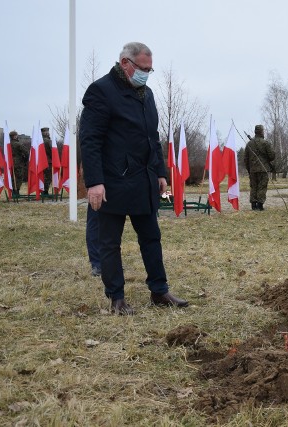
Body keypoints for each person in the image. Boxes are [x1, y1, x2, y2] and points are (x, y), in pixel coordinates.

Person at [80, 41, 188, 315]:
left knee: (151, 237)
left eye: (150, 70)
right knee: (110, 243)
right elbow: (90, 140)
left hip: (143, 181)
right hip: (112, 182)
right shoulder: (100, 91)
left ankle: (159, 291)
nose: (147, 74)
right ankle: (116, 298)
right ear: (125, 63)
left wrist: (160, 172)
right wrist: (94, 181)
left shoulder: (147, 94)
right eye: (143, 68)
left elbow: (151, 137)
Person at [244, 124, 275, 211]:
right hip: (263, 169)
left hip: (253, 170)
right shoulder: (265, 143)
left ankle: (253, 205)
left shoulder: (249, 144)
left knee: (254, 186)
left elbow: (245, 158)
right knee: (262, 186)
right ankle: (260, 205)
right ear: (262, 132)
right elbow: (272, 156)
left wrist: (249, 169)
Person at [40, 127, 53, 194]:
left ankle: (41, 189)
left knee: (42, 176)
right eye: (47, 132)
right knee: (48, 176)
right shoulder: (48, 141)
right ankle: (45, 191)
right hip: (48, 161)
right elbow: (52, 151)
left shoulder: (39, 140)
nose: (48, 133)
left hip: (40, 162)